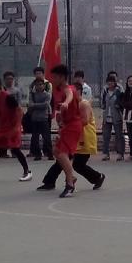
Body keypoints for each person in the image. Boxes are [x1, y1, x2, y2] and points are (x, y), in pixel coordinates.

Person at [41, 84, 106, 191]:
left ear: (79, 92)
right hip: (74, 138)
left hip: (84, 138)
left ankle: (97, 177)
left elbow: (85, 121)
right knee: (62, 159)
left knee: (77, 164)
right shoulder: (71, 106)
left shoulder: (83, 104)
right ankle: (50, 181)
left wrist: (68, 125)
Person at [37, 64, 84, 197]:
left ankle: (70, 184)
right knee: (56, 151)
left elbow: (69, 96)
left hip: (73, 126)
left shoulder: (69, 89)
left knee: (62, 153)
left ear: (62, 77)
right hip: (67, 126)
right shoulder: (60, 90)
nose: (53, 80)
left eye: (55, 77)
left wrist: (66, 103)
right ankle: (71, 177)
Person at [0, 77, 32, 182]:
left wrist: (17, 126)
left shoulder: (8, 98)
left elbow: (20, 111)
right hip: (2, 128)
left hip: (13, 127)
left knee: (15, 149)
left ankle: (27, 172)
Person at [28, 78, 54, 161]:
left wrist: (35, 105)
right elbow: (30, 104)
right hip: (34, 119)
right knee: (35, 138)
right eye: (37, 85)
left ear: (44, 85)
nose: (39, 86)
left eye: (40, 84)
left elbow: (46, 105)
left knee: (46, 137)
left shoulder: (47, 95)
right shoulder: (32, 95)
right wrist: (38, 105)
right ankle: (37, 154)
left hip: (44, 118)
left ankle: (50, 154)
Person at [101, 75, 124, 161]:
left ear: (115, 83)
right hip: (107, 117)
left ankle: (120, 153)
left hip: (117, 116)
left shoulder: (118, 92)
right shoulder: (105, 91)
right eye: (109, 81)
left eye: (112, 81)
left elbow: (122, 103)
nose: (110, 83)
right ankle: (106, 154)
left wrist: (119, 106)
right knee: (106, 136)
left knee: (119, 135)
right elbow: (103, 104)